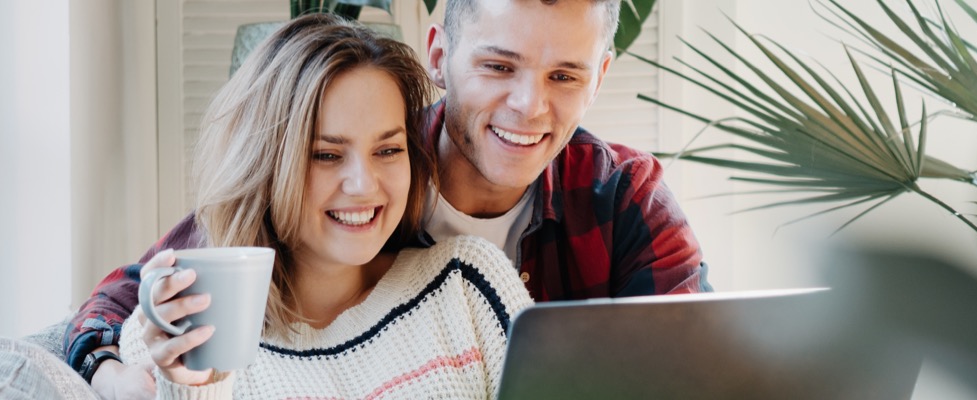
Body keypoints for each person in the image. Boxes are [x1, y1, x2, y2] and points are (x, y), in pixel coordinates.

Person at [67, 0, 711, 397]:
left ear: (598, 78)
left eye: (564, 76)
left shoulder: (623, 198)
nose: (528, 105)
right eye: (497, 66)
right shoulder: (361, 169)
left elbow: (705, 366)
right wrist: (115, 369)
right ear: (440, 54)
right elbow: (135, 295)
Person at [115, 14, 533, 398]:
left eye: (387, 150)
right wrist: (192, 386)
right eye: (326, 155)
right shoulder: (166, 331)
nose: (363, 185)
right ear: (263, 166)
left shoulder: (469, 285)